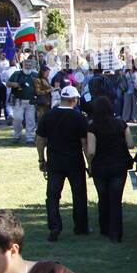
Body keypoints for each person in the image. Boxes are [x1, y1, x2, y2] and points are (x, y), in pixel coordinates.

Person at [35, 86, 90, 242]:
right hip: (74, 160)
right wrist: (89, 163)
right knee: (79, 195)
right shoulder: (79, 118)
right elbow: (84, 143)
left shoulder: (48, 115)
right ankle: (81, 227)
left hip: (55, 160)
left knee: (52, 196)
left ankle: (54, 227)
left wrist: (41, 159)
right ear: (74, 100)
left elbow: (40, 140)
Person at [85, 97, 132, 244]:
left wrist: (90, 164)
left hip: (100, 166)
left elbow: (91, 150)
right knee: (116, 200)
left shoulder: (92, 127)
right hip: (119, 165)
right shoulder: (121, 124)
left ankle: (104, 228)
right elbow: (130, 144)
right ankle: (116, 233)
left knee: (103, 197)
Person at [7, 61, 39, 143]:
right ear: (23, 65)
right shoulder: (17, 74)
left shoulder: (35, 75)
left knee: (30, 120)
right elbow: (8, 83)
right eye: (26, 65)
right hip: (19, 100)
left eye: (30, 65)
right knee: (18, 118)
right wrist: (16, 84)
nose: (28, 66)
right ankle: (17, 135)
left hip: (31, 101)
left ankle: (30, 137)